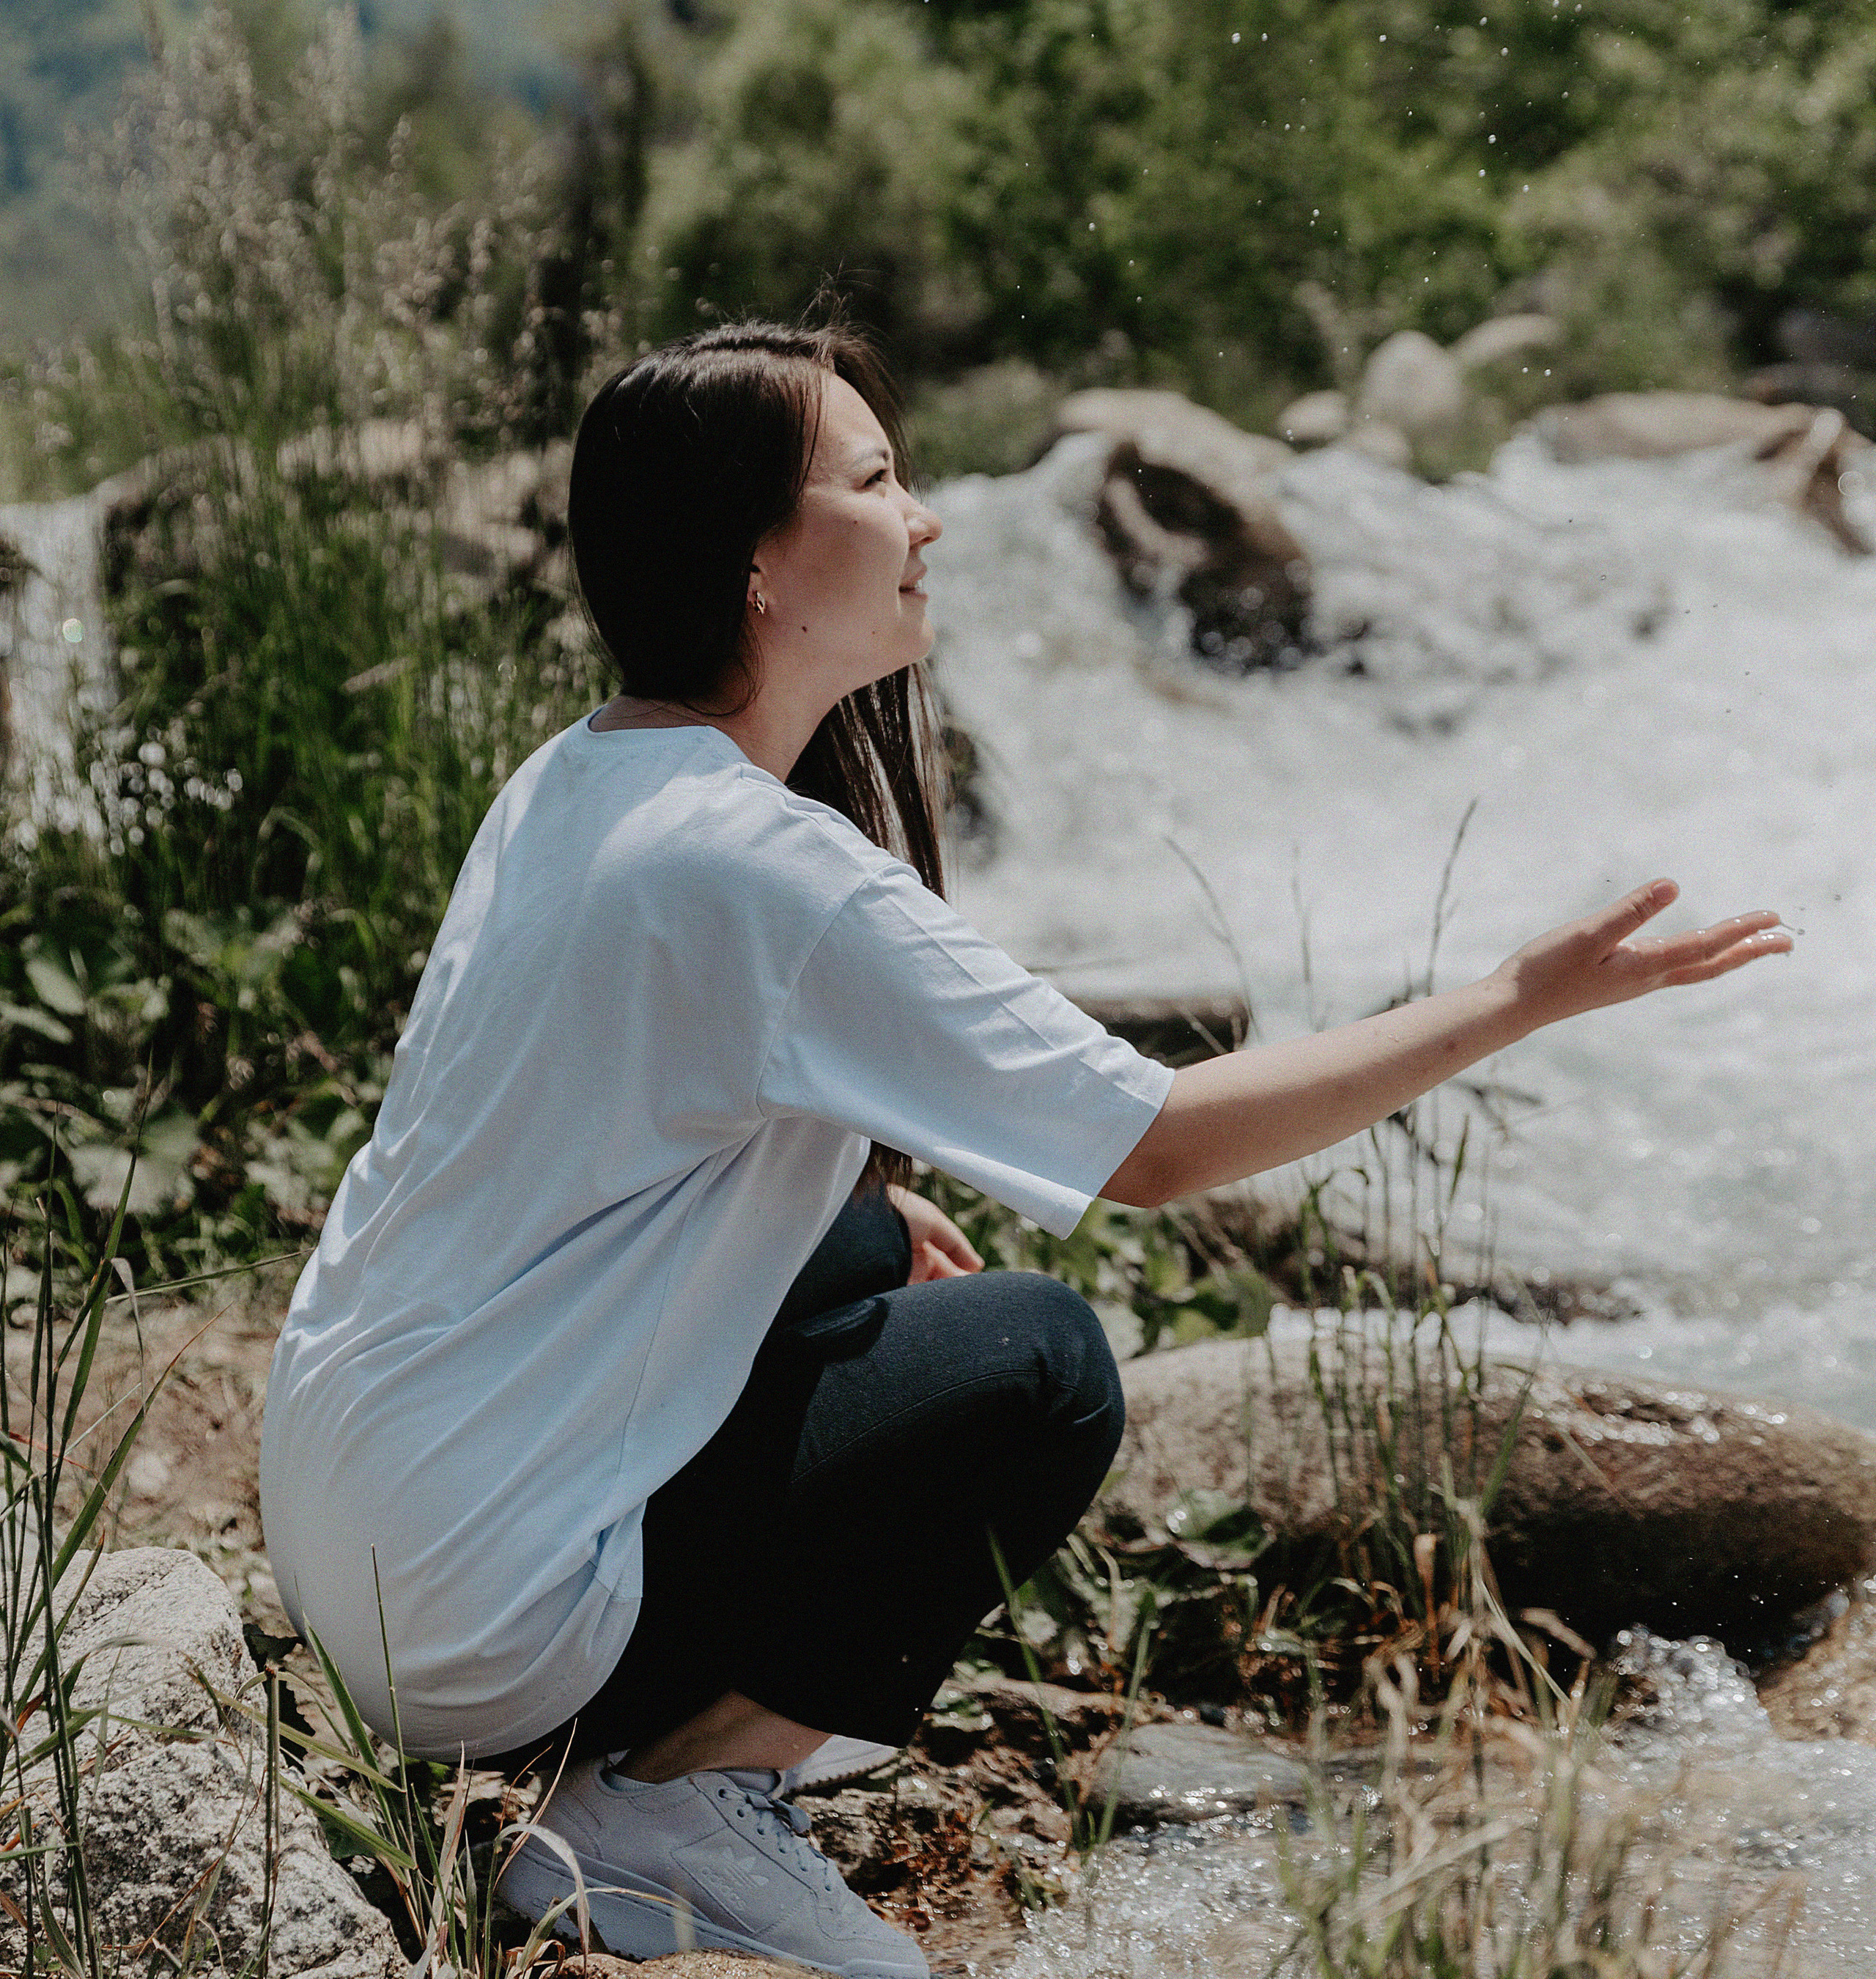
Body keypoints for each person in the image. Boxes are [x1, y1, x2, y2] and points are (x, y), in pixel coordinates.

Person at [258, 320, 1790, 1979]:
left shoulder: (576, 781)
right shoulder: (762, 864)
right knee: (1039, 1362)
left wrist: (859, 1207)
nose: (925, 519)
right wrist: (1507, 997)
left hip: (358, 1539)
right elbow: (1157, 1147)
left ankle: (658, 1717)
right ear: (758, 564)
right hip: (482, 1629)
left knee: (865, 1243)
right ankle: (670, 1805)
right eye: (875, 482)